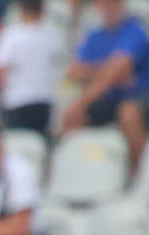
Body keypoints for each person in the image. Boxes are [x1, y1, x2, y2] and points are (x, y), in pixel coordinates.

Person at [61, 0, 149, 169]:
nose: (108, 8)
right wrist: (107, 68)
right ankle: (80, 171)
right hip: (108, 98)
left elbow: (118, 68)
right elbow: (73, 72)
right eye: (103, 4)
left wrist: (104, 72)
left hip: (138, 96)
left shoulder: (134, 31)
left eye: (112, 3)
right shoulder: (95, 36)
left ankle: (138, 171)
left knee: (129, 112)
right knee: (72, 117)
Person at [0, 0, 61, 136]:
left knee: (19, 144)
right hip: (44, 99)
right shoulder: (53, 35)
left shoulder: (10, 35)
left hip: (16, 100)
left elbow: (0, 71)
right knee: (38, 145)